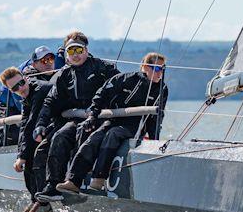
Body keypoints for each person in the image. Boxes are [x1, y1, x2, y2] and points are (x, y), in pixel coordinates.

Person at [56, 52, 168, 195]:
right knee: (94, 138)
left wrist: (154, 141)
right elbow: (101, 95)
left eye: (163, 70)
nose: (160, 74)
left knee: (112, 134)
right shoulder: (125, 79)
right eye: (157, 69)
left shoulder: (162, 89)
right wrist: (92, 116)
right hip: (114, 119)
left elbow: (157, 117)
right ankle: (72, 181)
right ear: (145, 67)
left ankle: (98, 181)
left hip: (136, 125)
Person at [33, 32, 118, 203]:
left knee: (83, 131)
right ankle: (52, 187)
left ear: (86, 50)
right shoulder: (65, 74)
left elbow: (120, 89)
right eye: (71, 51)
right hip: (77, 117)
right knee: (59, 136)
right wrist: (41, 123)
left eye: (79, 50)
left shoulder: (103, 68)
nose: (76, 55)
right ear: (66, 54)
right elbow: (51, 101)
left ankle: (76, 180)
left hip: (100, 117)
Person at [0, 66, 54, 212]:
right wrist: (21, 155)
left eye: (21, 83)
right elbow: (24, 126)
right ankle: (35, 199)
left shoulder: (39, 91)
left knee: (37, 155)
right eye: (15, 88)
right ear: (11, 91)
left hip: (57, 122)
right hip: (43, 126)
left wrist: (22, 155)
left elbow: (32, 122)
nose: (21, 88)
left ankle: (43, 201)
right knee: (28, 158)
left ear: (26, 78)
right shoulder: (26, 97)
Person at [0, 45, 58, 146]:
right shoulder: (28, 78)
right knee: (15, 130)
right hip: (6, 102)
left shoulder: (60, 64)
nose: (48, 63)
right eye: (44, 61)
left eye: (50, 59)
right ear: (34, 64)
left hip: (24, 102)